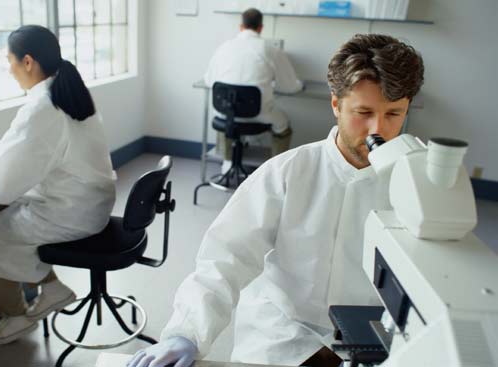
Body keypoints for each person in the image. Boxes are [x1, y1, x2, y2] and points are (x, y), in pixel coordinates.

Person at [128, 34, 424, 367]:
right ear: (336, 105)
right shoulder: (286, 173)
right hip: (284, 335)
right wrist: (186, 333)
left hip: (373, 338)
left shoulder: (416, 183)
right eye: (364, 112)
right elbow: (225, 259)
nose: (378, 130)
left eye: (394, 114)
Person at [0, 25, 116, 345]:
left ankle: (16, 318)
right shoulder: (66, 88)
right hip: (86, 202)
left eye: (10, 60)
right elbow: (36, 150)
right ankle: (54, 288)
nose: (9, 68)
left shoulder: (43, 106)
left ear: (28, 61)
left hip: (71, 212)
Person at [204, 8, 304, 172]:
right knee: (283, 124)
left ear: (241, 26)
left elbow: (209, 81)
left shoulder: (224, 47)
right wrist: (300, 85)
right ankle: (275, 171)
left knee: (228, 115)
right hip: (259, 114)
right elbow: (289, 86)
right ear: (260, 28)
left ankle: (227, 162)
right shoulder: (270, 50)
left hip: (226, 112)